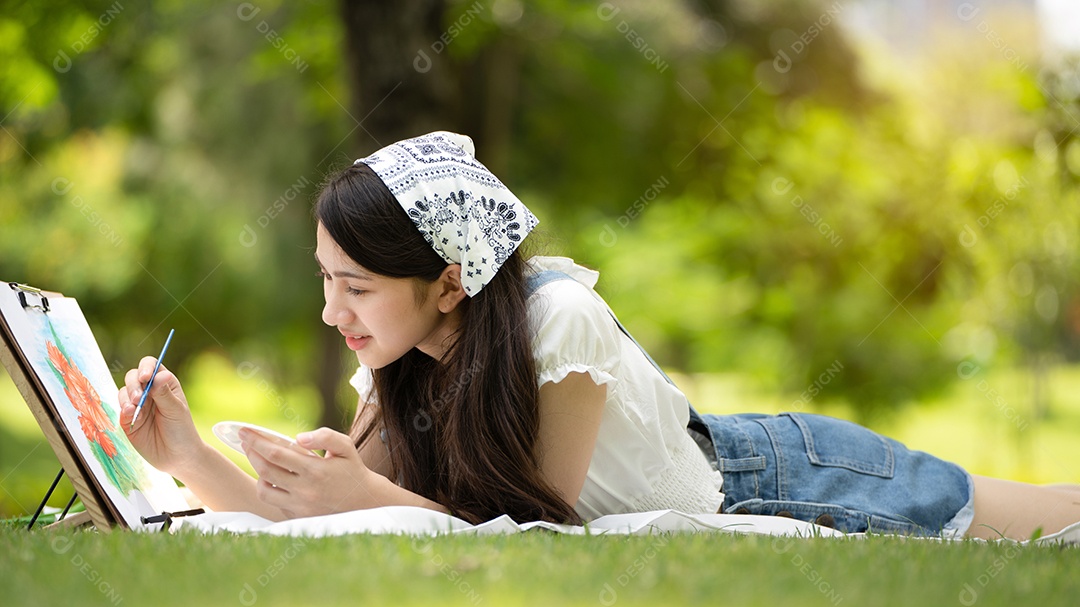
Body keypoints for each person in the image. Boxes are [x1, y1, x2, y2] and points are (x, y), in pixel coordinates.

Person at [119, 131, 1080, 540]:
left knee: (1051, 519)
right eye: (326, 281)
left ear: (450, 281)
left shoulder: (559, 321)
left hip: (787, 476)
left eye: (356, 287)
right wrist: (189, 454)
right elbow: (312, 524)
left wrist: (366, 493)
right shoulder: (398, 364)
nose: (334, 314)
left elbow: (544, 534)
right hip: (750, 457)